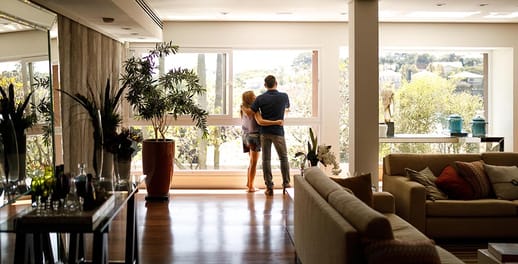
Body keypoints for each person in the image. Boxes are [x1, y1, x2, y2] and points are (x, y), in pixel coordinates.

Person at [251, 75, 290, 196]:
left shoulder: (260, 98)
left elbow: (253, 112)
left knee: (266, 160)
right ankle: (286, 184)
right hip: (278, 132)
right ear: (276, 83)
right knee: (283, 158)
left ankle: (269, 187)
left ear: (265, 85)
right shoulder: (284, 96)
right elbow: (287, 108)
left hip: (265, 132)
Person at [240, 91, 283, 193]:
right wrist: (276, 122)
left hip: (245, 135)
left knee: (251, 162)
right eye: (254, 96)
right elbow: (261, 121)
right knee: (254, 162)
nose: (256, 97)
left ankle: (248, 183)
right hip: (254, 136)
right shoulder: (254, 110)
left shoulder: (242, 108)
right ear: (251, 99)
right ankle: (251, 187)